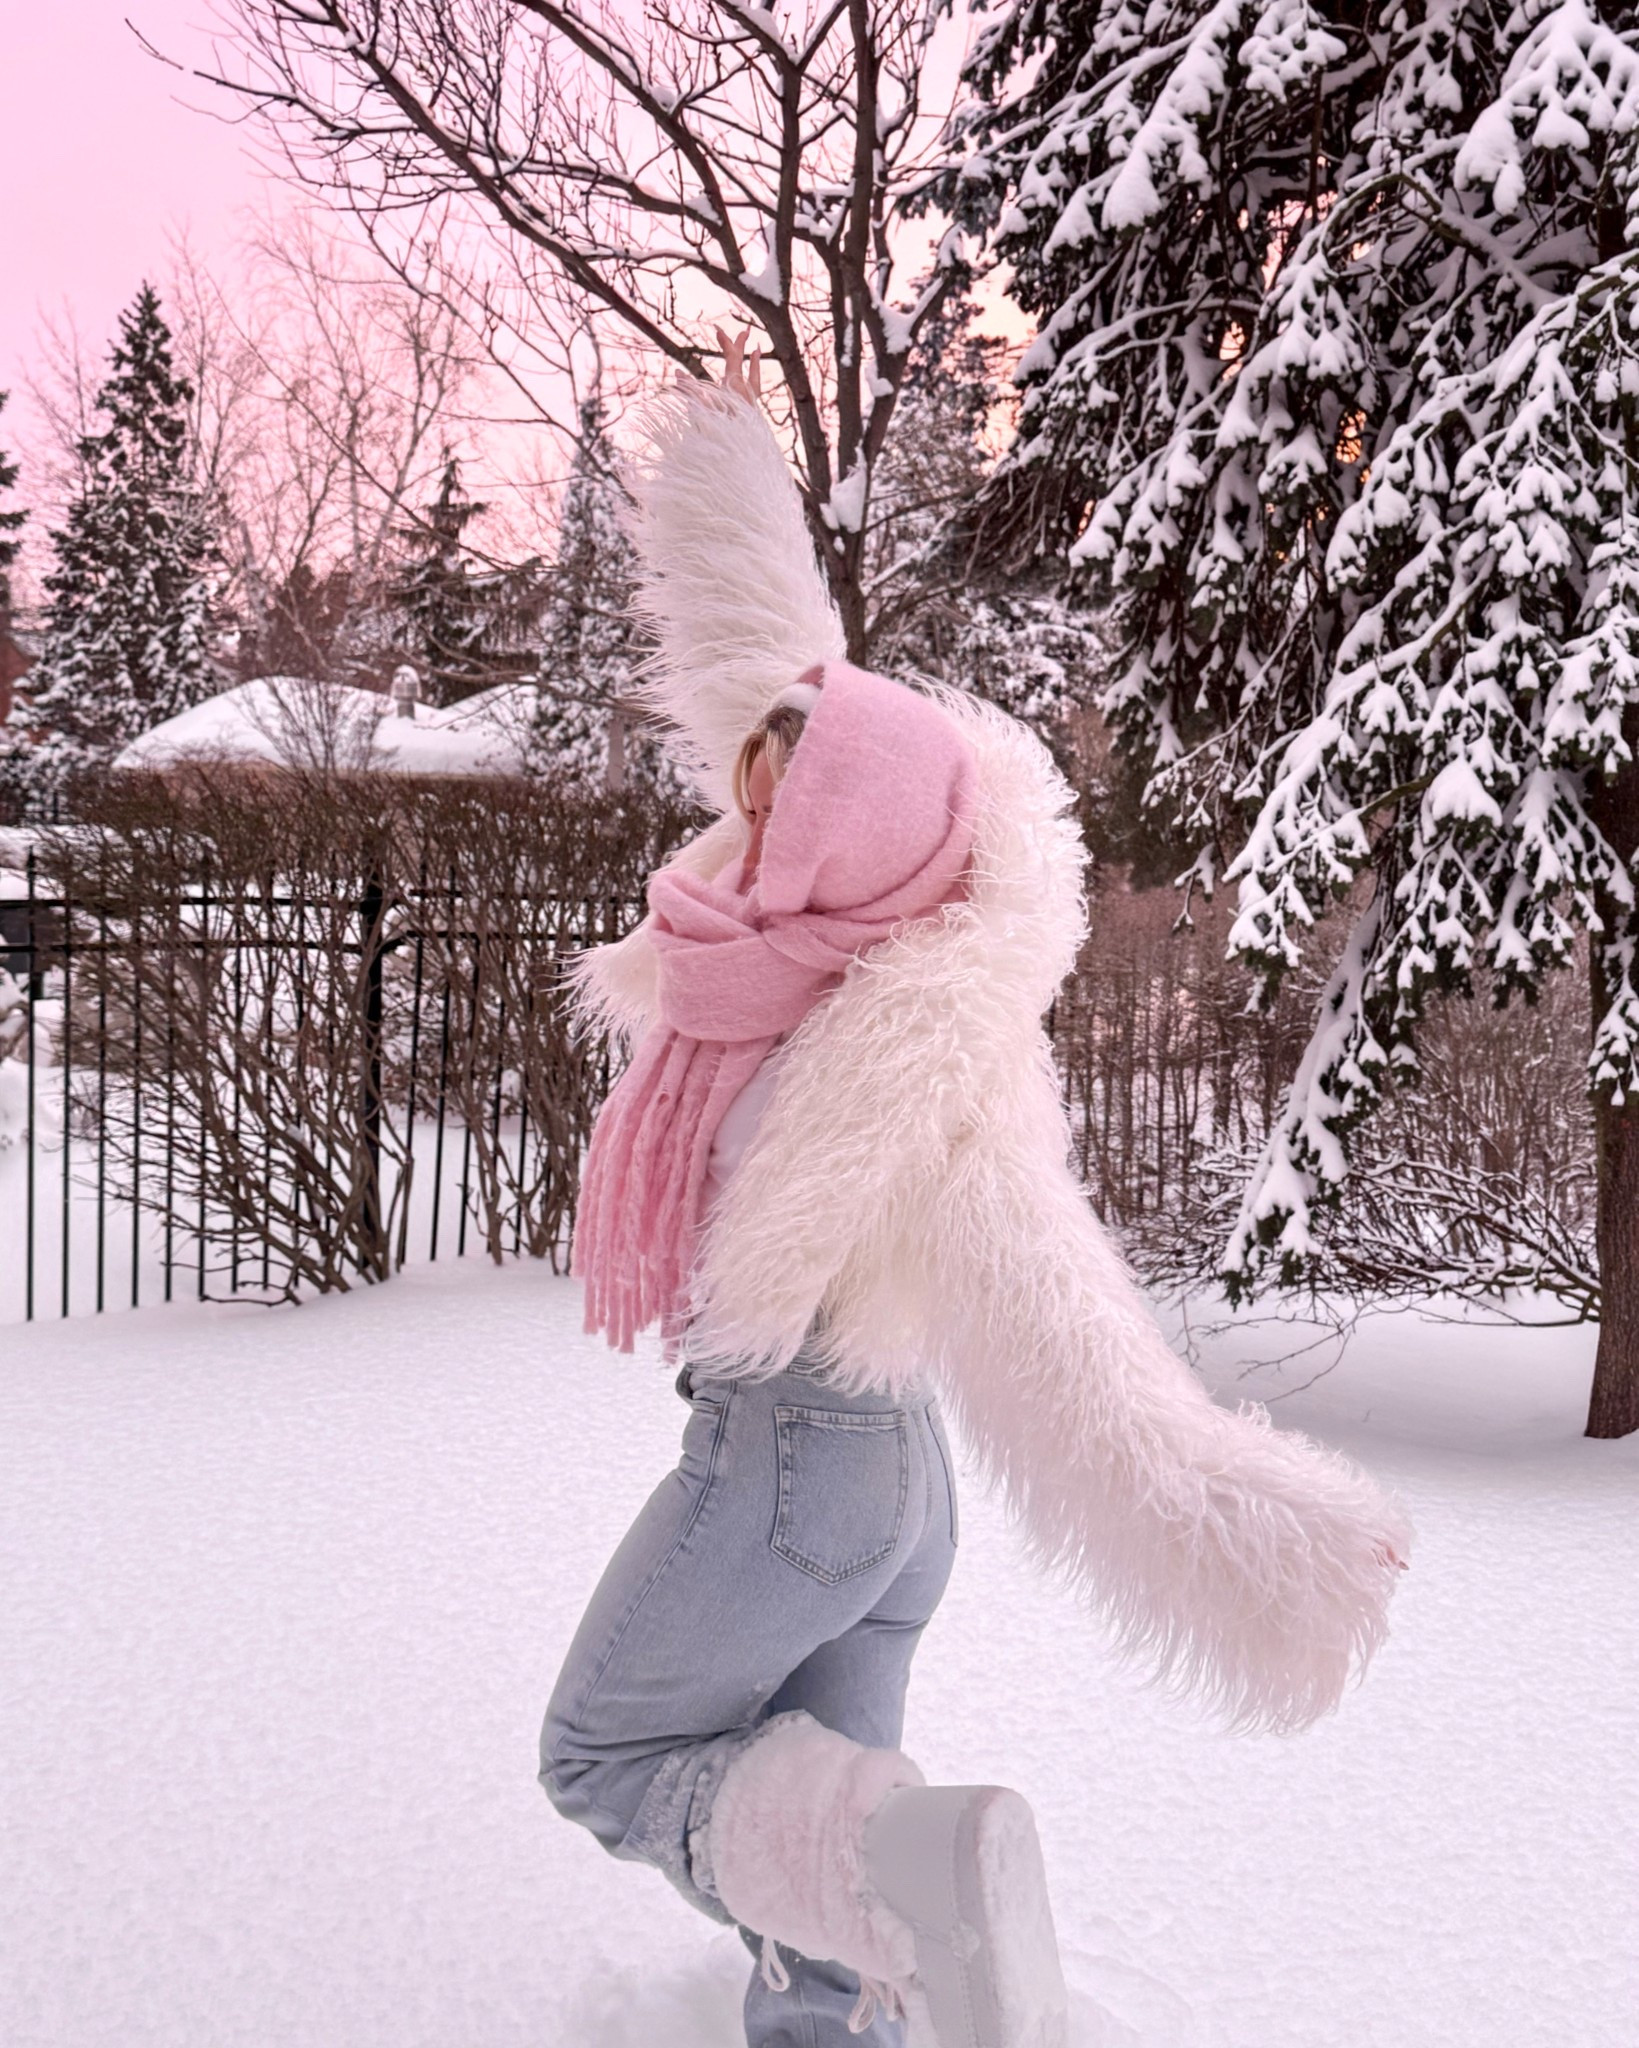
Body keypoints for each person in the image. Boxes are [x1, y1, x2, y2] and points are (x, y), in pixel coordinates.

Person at [541, 333, 1410, 2048]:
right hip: (879, 1489)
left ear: (845, 837)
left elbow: (1066, 1326)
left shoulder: (917, 1053)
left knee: (611, 1754)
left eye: (780, 793)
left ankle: (896, 1881)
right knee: (809, 1808)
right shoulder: (796, 952)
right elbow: (753, 662)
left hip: (801, 1468)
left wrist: (1249, 1522)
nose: (743, 805)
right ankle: (844, 2012)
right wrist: (721, 443)